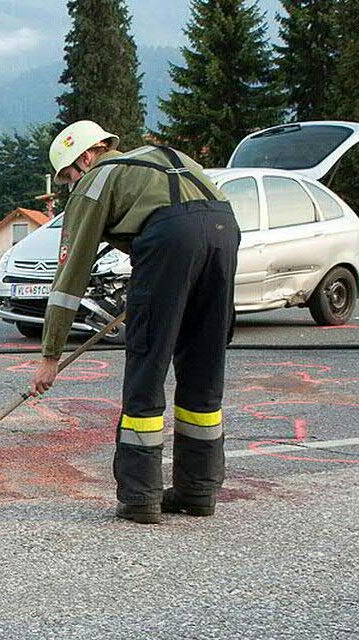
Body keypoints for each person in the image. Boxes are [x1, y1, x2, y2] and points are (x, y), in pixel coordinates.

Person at [30, 121, 239, 523]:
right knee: (203, 368)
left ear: (86, 157)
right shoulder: (170, 158)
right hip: (223, 231)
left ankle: (141, 497)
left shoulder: (99, 177)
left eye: (69, 176)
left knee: (148, 363)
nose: (71, 185)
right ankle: (198, 491)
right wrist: (184, 279)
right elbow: (205, 219)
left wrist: (50, 355)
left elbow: (69, 276)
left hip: (169, 240)